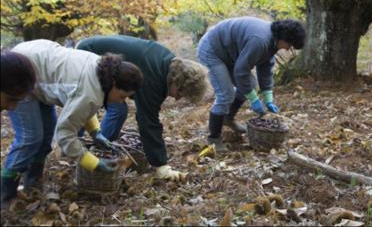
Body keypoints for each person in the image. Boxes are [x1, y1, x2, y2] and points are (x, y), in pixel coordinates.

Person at [1, 40, 143, 209]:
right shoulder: (93, 91)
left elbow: (80, 107)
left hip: (39, 63)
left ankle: (32, 183)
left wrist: (95, 131)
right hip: (20, 72)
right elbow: (66, 134)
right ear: (114, 84)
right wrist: (94, 163)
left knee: (46, 135)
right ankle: (6, 193)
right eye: (121, 96)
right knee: (31, 138)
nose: (121, 101)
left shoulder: (103, 70)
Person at [77, 35, 208, 182]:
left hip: (93, 50)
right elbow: (148, 122)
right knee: (114, 110)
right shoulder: (154, 78)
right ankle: (85, 150)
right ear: (177, 81)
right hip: (88, 54)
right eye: (180, 93)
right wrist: (161, 165)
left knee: (118, 110)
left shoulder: (166, 63)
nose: (177, 98)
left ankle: (96, 149)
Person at [197, 16, 306, 152]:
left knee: (251, 84)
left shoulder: (273, 40)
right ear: (284, 38)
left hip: (230, 54)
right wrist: (254, 99)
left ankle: (228, 118)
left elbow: (265, 67)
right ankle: (214, 139)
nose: (289, 49)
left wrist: (268, 99)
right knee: (226, 94)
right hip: (212, 50)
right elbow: (241, 71)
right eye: (290, 45)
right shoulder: (260, 40)